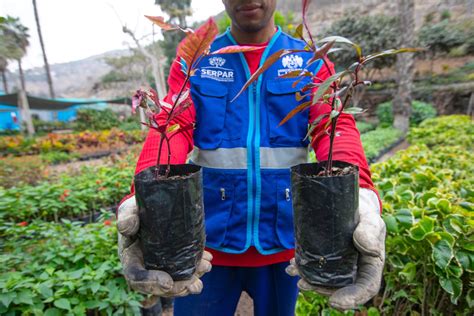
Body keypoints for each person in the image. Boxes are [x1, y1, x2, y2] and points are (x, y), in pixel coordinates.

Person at [117, 0, 386, 315]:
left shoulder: (310, 60)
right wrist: (143, 199)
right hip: (205, 247)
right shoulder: (198, 58)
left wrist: (362, 195)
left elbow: (333, 129)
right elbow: (172, 126)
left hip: (283, 244)